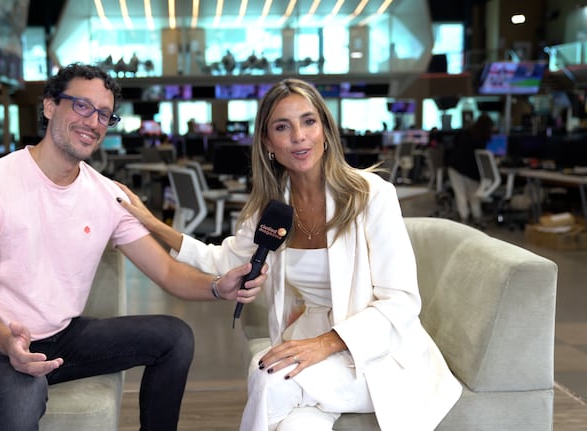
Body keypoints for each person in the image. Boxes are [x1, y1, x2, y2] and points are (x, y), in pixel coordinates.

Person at [117, 78, 461, 431]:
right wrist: (152, 223)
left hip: (375, 354)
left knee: (268, 379)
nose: (299, 136)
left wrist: (326, 344)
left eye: (309, 121)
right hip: (307, 345)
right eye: (283, 127)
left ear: (325, 130)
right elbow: (221, 259)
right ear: (268, 142)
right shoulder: (271, 211)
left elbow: (401, 301)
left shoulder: (371, 196)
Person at [0, 63, 267, 431]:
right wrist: (6, 340)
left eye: (104, 115)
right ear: (49, 106)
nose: (92, 122)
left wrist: (216, 287)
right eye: (81, 106)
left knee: (175, 337)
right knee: (23, 391)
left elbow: (167, 272)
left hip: (61, 338)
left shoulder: (108, 195)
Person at [446, 113, 494, 226]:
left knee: (461, 195)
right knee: (473, 195)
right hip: (470, 171)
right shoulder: (482, 140)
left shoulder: (464, 134)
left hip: (455, 167)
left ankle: (465, 219)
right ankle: (476, 217)